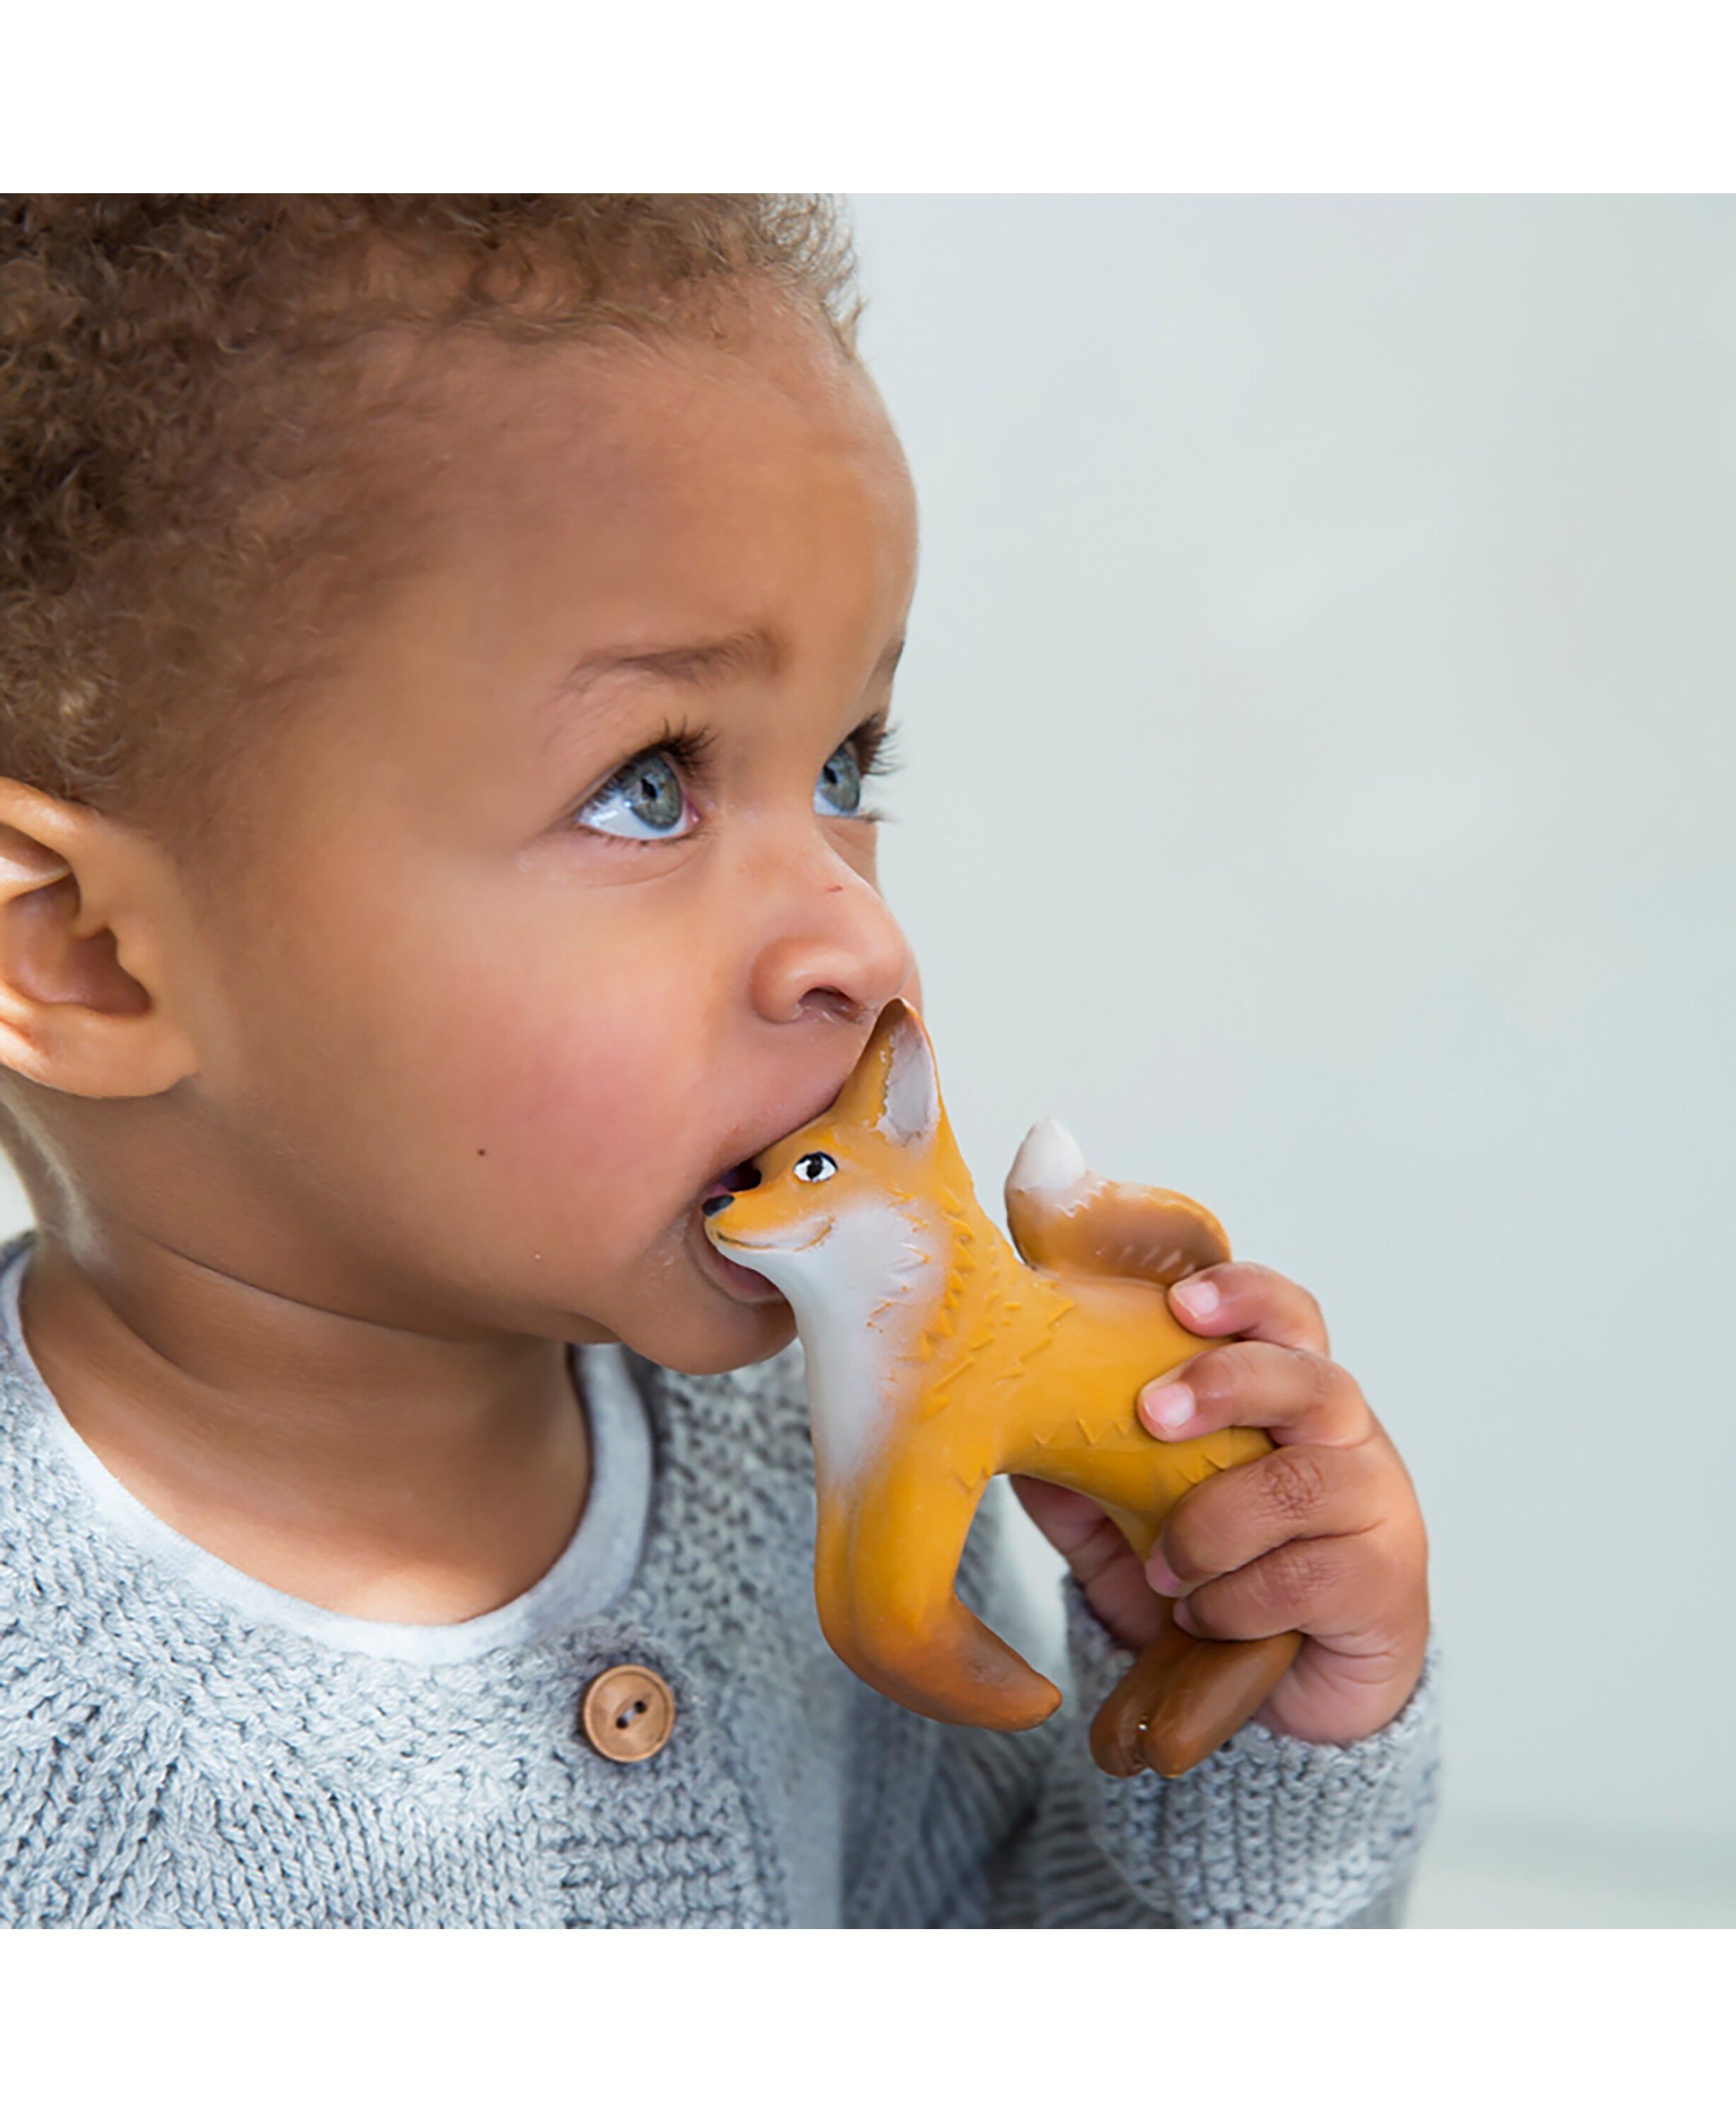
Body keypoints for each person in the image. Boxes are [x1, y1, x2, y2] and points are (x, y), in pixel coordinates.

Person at [0, 195, 1436, 1928]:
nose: (858, 939)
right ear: (77, 953)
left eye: (847, 768)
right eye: (650, 785)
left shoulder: (809, 1461)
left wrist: (1256, 1744)